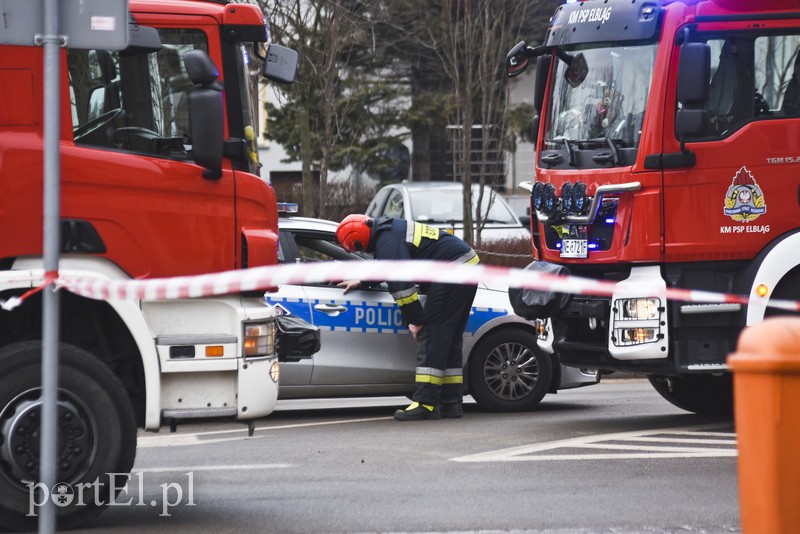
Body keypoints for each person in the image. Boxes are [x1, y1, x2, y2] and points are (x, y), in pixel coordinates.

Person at [336, 214, 479, 421]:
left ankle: (425, 404)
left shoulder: (387, 241)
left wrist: (416, 320)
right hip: (465, 266)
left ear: (360, 242)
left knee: (433, 336)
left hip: (452, 271)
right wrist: (363, 281)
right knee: (448, 338)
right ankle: (450, 402)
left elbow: (402, 288)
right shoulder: (389, 231)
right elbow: (389, 266)